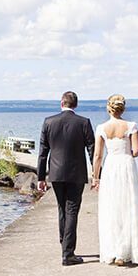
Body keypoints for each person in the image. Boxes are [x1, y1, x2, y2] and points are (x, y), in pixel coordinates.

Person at [37, 90, 95, 266]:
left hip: (55, 174)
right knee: (72, 211)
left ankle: (65, 244)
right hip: (76, 174)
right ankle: (68, 253)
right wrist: (97, 172)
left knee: (62, 209)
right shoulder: (84, 122)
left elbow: (42, 153)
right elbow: (92, 149)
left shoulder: (49, 122)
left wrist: (41, 177)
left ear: (62, 103)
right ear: (75, 105)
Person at [91, 94, 138, 265]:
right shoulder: (131, 126)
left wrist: (95, 177)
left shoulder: (102, 128)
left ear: (109, 108)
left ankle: (113, 251)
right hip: (126, 165)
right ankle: (125, 252)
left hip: (111, 167)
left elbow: (97, 156)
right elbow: (137, 151)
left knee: (112, 207)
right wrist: (126, 154)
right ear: (123, 108)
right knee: (128, 206)